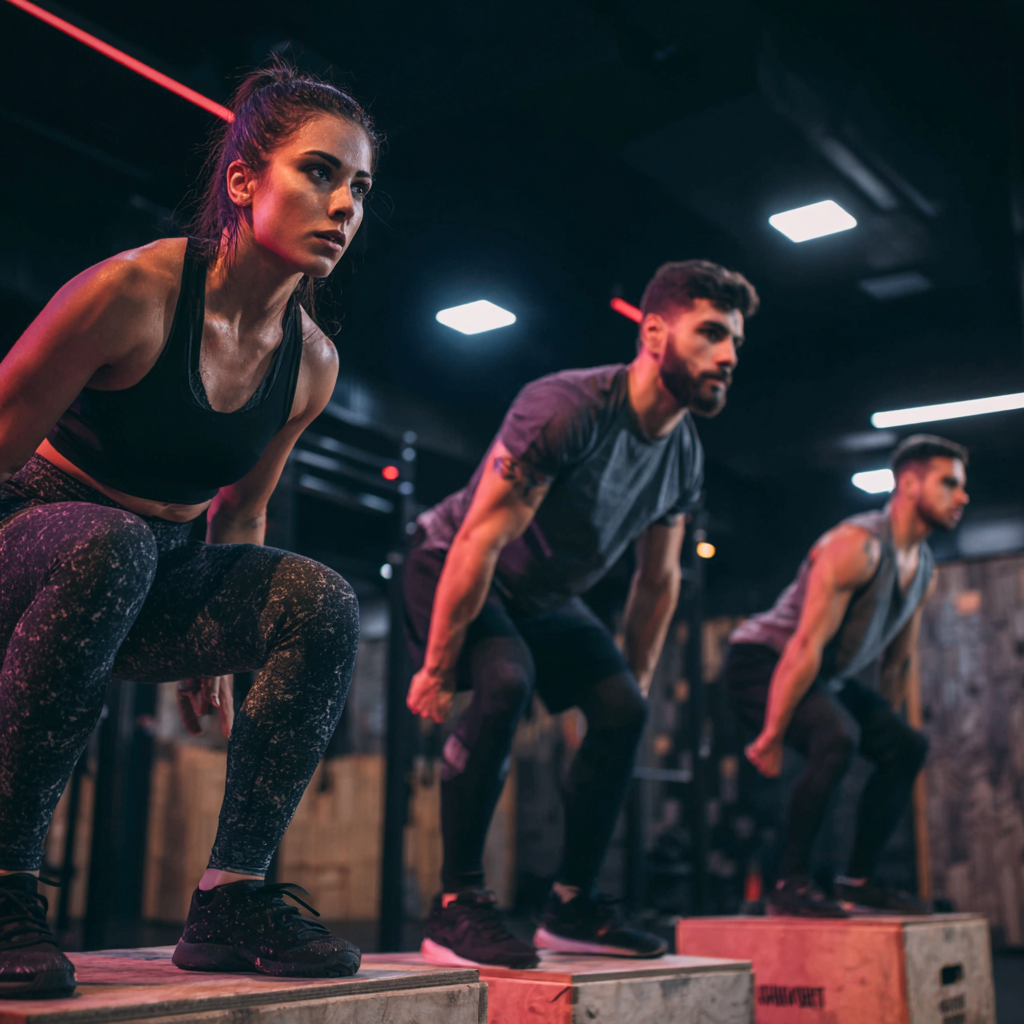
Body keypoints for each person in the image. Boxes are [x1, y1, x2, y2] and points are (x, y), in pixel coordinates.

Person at [0, 61, 378, 997]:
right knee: (109, 543)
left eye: (360, 187)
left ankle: (231, 897)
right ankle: (5, 878)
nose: (344, 205)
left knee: (319, 600)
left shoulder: (311, 364)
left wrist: (219, 640)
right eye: (320, 173)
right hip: (35, 531)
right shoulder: (131, 293)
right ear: (245, 182)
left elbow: (239, 510)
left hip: (155, 567)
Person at [403, 260, 759, 967]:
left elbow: (658, 583)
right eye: (712, 333)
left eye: (736, 343)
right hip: (450, 560)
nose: (727, 356)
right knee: (507, 681)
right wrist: (440, 666)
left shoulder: (683, 453)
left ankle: (571, 906)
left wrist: (633, 680)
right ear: (655, 333)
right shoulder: (567, 406)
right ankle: (456, 906)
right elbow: (481, 536)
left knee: (624, 711)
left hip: (539, 596)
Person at [725, 435, 969, 917]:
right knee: (837, 736)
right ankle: (788, 884)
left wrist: (890, 729)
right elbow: (804, 644)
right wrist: (772, 734)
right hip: (760, 661)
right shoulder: (854, 546)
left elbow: (897, 660)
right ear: (909, 482)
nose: (961, 497)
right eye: (949, 484)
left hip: (822, 672)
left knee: (907, 746)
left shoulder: (921, 567)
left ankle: (860, 880)